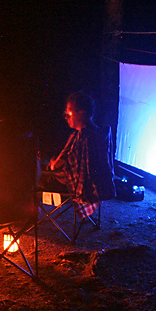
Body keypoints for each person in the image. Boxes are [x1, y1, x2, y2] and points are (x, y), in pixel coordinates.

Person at [40, 91, 115, 219]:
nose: (66, 117)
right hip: (100, 185)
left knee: (37, 174)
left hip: (83, 189)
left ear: (81, 113)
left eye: (69, 113)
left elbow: (60, 166)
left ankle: (31, 212)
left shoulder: (82, 137)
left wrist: (52, 164)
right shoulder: (100, 133)